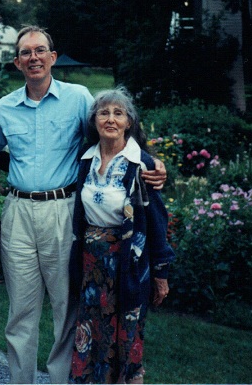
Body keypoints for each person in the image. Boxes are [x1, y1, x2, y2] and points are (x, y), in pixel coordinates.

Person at [0, 27, 166, 384]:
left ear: (53, 57)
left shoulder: (79, 98)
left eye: (40, 50)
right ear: (17, 62)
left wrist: (153, 163)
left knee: (66, 310)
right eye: (26, 52)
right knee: (20, 312)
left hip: (62, 210)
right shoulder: (5, 107)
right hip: (18, 213)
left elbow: (116, 130)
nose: (34, 58)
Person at [68, 87, 175, 384]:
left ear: (129, 122)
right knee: (92, 337)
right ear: (94, 121)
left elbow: (157, 221)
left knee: (126, 339)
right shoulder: (85, 160)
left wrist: (161, 273)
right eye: (104, 113)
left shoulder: (142, 164)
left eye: (118, 113)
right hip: (92, 267)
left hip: (128, 266)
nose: (111, 119)